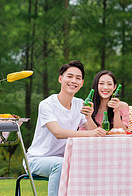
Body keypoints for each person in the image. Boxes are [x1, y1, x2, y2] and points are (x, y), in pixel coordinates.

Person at [26, 60, 106, 196]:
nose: (73, 80)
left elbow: (94, 132)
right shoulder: (47, 104)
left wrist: (88, 117)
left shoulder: (80, 104)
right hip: (36, 160)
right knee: (60, 164)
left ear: (81, 83)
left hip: (66, 159)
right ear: (60, 79)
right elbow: (57, 132)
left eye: (78, 78)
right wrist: (90, 133)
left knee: (91, 165)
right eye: (70, 76)